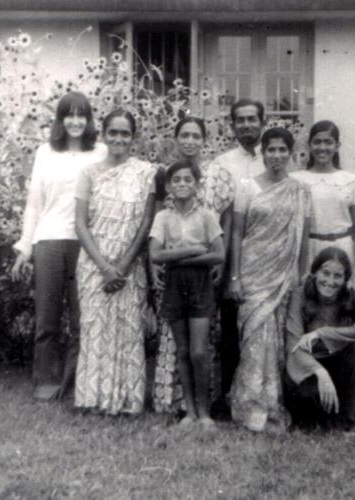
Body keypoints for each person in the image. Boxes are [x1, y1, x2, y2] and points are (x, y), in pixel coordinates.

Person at [11, 91, 107, 402]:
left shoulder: (101, 153)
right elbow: (34, 205)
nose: (76, 121)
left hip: (86, 243)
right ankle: (46, 383)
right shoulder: (45, 153)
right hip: (50, 240)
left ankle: (76, 383)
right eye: (70, 115)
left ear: (89, 119)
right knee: (47, 319)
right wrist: (25, 248)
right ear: (61, 119)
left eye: (82, 115)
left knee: (84, 319)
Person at [229, 127, 311, 432]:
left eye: (282, 150)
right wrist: (235, 277)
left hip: (283, 275)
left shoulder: (300, 190)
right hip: (252, 273)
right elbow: (237, 233)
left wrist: (300, 275)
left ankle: (271, 405)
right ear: (263, 153)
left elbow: (303, 238)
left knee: (275, 342)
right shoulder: (247, 186)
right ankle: (249, 407)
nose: (277, 156)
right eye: (271, 150)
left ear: (291, 154)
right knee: (253, 340)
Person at [74, 109, 156, 415]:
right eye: (114, 133)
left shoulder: (146, 172)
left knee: (127, 330)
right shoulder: (89, 173)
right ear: (104, 135)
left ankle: (126, 401)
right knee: (96, 329)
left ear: (133, 137)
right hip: (94, 265)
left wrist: (122, 266)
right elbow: (81, 224)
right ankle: (92, 398)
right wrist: (106, 268)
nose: (119, 138)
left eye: (125, 133)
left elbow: (146, 222)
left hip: (130, 265)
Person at [151, 116, 234, 415]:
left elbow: (219, 251)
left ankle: (205, 410)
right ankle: (186, 408)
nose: (189, 140)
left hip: (200, 283)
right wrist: (193, 250)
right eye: (183, 134)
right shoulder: (164, 214)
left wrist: (183, 255)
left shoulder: (207, 211)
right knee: (182, 350)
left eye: (196, 135)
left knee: (200, 350)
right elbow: (156, 253)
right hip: (173, 283)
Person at [208, 99, 266, 408]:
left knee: (260, 324)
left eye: (252, 119)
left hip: (265, 253)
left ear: (262, 122)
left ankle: (259, 391)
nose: (246, 125)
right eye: (240, 120)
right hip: (233, 250)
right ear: (232, 126)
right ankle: (229, 394)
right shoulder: (222, 163)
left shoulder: (274, 158)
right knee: (230, 324)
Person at [285, 246, 355, 432]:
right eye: (325, 273)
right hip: (309, 365)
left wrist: (323, 333)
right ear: (314, 273)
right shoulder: (300, 294)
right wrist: (320, 373)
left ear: (346, 279)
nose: (330, 281)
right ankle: (329, 417)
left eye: (338, 276)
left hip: (343, 362)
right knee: (308, 401)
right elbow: (293, 345)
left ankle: (348, 420)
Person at [290, 120, 355, 278]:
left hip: (342, 248)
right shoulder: (296, 180)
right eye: (317, 142)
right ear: (309, 146)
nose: (322, 147)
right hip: (308, 249)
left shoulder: (350, 179)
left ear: (337, 146)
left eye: (328, 142)